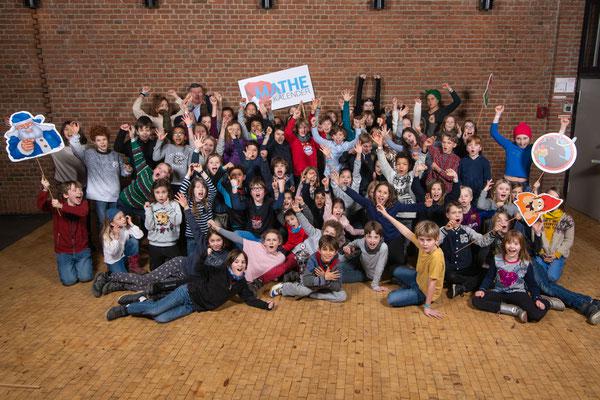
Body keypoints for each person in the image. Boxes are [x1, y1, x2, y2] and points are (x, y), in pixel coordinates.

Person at [105, 249, 274, 323]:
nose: (240, 264)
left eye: (243, 262)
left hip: (194, 306)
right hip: (187, 292)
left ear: (246, 265)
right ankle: (125, 309)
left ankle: (144, 300)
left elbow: (249, 299)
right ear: (230, 263)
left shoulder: (241, 284)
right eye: (237, 261)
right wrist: (203, 255)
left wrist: (266, 306)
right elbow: (199, 268)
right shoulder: (219, 270)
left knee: (160, 318)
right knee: (155, 310)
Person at [472, 230, 562, 323]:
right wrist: (482, 289)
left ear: (521, 246)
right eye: (509, 243)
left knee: (535, 315)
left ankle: (548, 302)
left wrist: (537, 298)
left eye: (516, 244)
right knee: (476, 300)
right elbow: (489, 277)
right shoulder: (497, 259)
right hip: (499, 292)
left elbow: (532, 284)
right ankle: (514, 310)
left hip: (518, 294)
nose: (512, 246)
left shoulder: (525, 263)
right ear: (504, 244)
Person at [378, 205, 444, 318]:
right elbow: (405, 231)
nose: (425, 243)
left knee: (391, 299)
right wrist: (386, 215)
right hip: (418, 278)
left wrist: (427, 307)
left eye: (429, 240)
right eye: (422, 240)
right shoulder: (422, 245)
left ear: (436, 239)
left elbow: (432, 283)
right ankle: (408, 287)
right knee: (394, 270)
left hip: (425, 291)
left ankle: (412, 292)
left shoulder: (436, 257)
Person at [69, 125, 131, 229]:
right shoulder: (89, 154)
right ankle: (104, 240)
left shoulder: (115, 155)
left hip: (114, 195)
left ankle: (115, 240)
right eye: (98, 140)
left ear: (108, 140)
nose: (102, 142)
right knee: (103, 223)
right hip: (99, 196)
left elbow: (123, 173)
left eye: (104, 139)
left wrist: (128, 170)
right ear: (94, 142)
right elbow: (76, 148)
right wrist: (75, 135)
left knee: (116, 223)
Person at [37, 178, 92, 286]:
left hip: (82, 249)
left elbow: (82, 212)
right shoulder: (56, 206)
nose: (79, 192)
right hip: (64, 252)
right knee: (69, 281)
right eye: (75, 190)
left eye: (80, 190)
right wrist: (45, 189)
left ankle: (79, 266)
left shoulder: (83, 204)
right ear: (66, 195)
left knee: (86, 277)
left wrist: (61, 206)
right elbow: (41, 205)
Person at [270, 235, 347, 303]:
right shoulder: (313, 259)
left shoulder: (337, 264)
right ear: (319, 250)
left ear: (335, 252)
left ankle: (312, 295)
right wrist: (325, 278)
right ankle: (283, 288)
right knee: (304, 291)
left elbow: (338, 286)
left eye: (331, 250)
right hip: (311, 284)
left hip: (324, 285)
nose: (328, 253)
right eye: (325, 249)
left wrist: (325, 278)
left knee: (342, 296)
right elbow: (307, 280)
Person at [117, 126, 172, 220]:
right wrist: (133, 138)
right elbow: (138, 155)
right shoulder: (145, 171)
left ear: (167, 176)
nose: (160, 171)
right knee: (123, 224)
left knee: (149, 223)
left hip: (141, 207)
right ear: (154, 169)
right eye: (159, 168)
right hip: (125, 202)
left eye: (164, 171)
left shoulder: (163, 188)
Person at [530, 188, 574, 283]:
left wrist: (556, 254)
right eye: (549, 197)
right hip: (541, 253)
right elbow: (534, 236)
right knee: (538, 275)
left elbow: (569, 240)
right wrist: (541, 252)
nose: (552, 201)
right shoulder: (539, 216)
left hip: (557, 254)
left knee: (551, 277)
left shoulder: (567, 219)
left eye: (556, 198)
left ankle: (556, 267)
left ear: (561, 201)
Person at [339, 221, 389, 292]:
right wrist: (348, 246)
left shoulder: (383, 247)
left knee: (340, 278)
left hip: (369, 275)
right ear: (365, 237)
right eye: (369, 237)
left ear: (380, 238)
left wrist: (375, 285)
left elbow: (379, 267)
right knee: (339, 266)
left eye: (376, 237)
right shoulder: (362, 241)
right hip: (361, 264)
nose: (372, 240)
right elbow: (355, 242)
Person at [144, 179, 182, 270]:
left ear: (168, 192)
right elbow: (149, 227)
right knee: (155, 270)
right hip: (154, 244)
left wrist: (167, 206)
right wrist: (148, 211)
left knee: (177, 268)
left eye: (164, 192)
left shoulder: (174, 204)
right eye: (157, 192)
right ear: (153, 193)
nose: (160, 195)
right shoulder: (151, 206)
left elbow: (177, 221)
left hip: (171, 244)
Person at [101, 208, 144, 274]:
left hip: (123, 255)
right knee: (124, 277)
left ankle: (132, 266)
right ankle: (111, 269)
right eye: (119, 218)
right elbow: (113, 253)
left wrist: (131, 224)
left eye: (123, 216)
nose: (124, 219)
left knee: (134, 241)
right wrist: (116, 237)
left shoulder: (124, 228)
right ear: (112, 223)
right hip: (114, 260)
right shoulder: (107, 235)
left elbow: (140, 235)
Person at [458, 135, 491, 203]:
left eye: (476, 145)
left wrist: (484, 193)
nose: (472, 147)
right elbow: (459, 177)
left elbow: (487, 180)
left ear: (480, 148)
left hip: (479, 194)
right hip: (465, 194)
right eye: (470, 145)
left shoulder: (484, 162)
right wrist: (461, 190)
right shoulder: (462, 161)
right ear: (467, 148)